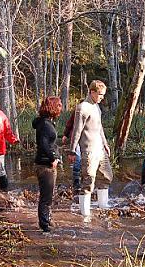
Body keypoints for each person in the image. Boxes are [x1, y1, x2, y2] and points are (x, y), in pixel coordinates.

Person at [68, 80, 113, 221]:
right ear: (92, 92)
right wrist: (72, 150)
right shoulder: (83, 107)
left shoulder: (96, 107)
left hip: (100, 148)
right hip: (88, 150)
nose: (102, 97)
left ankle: (103, 206)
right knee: (88, 180)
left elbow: (99, 127)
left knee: (106, 176)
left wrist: (105, 144)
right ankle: (85, 214)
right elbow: (76, 130)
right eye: (100, 94)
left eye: (103, 95)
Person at [33, 96, 63, 232]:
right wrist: (52, 158)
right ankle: (44, 225)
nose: (60, 108)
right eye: (58, 106)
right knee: (46, 197)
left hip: (46, 164)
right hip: (45, 165)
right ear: (52, 107)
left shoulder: (46, 122)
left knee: (48, 196)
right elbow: (43, 144)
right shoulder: (45, 125)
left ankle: (47, 220)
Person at [60, 110, 81, 193]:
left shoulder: (93, 109)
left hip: (87, 139)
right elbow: (70, 123)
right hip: (76, 138)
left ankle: (83, 183)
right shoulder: (77, 111)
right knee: (77, 160)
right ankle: (76, 184)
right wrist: (65, 134)